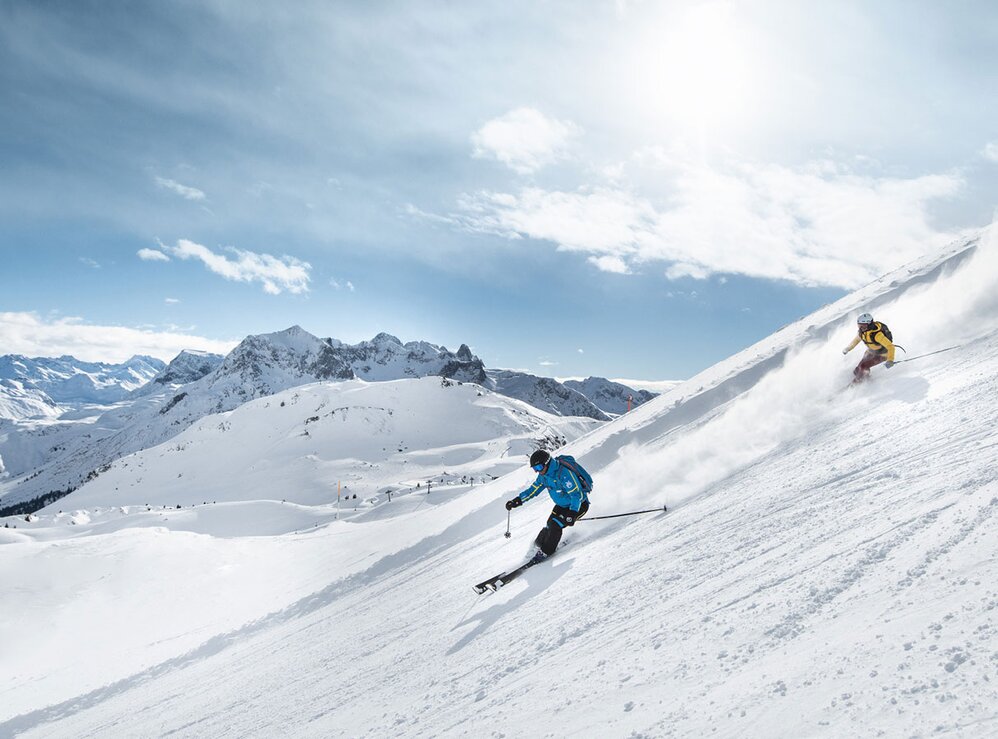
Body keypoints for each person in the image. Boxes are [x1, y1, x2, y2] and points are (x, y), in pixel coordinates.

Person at [505, 449, 591, 560]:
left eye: (539, 467)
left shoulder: (563, 473)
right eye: (535, 469)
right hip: (562, 505)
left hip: (578, 505)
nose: (538, 471)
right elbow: (533, 490)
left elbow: (576, 494)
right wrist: (517, 500)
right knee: (549, 525)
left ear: (547, 463)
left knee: (555, 526)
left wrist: (573, 512)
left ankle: (546, 552)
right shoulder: (544, 476)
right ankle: (536, 547)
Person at [843, 312, 896, 383]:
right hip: (870, 352)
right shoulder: (863, 332)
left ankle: (859, 381)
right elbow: (856, 340)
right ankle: (864, 377)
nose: (861, 328)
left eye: (863, 326)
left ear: (870, 324)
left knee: (864, 366)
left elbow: (891, 347)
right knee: (857, 370)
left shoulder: (877, 335)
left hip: (882, 355)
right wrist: (848, 348)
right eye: (859, 326)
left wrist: (890, 360)